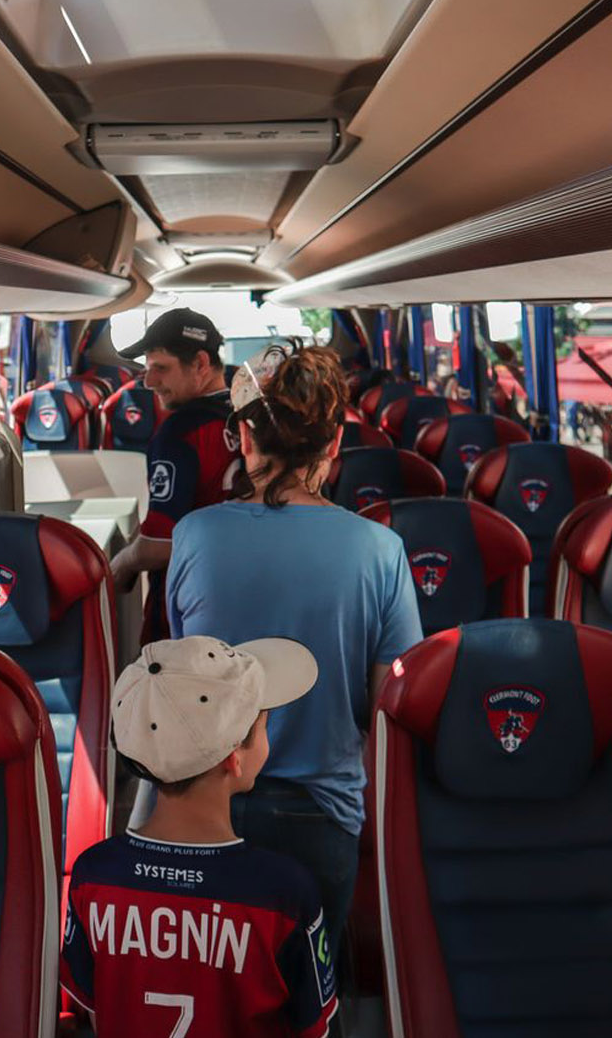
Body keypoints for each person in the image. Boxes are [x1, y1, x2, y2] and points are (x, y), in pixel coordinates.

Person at [165, 344, 423, 953]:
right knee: (307, 995)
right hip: (321, 816)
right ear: (334, 447)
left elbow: (187, 672)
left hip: (207, 808)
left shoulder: (193, 535)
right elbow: (388, 701)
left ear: (246, 441)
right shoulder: (380, 551)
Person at [61, 636, 338, 1038]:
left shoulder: (93, 876)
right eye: (263, 724)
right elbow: (312, 1028)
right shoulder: (284, 895)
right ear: (234, 757)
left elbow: (95, 1010)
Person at [110, 309, 240, 641]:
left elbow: (159, 545)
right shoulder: (251, 418)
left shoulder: (179, 434)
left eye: (161, 369)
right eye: (147, 369)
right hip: (247, 599)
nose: (150, 382)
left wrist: (120, 565)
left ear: (200, 363)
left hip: (185, 614)